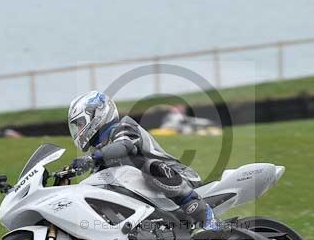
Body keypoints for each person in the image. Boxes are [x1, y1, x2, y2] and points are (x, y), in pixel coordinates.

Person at [67, 90, 220, 232]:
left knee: (150, 167)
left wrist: (90, 159)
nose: (79, 130)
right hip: (153, 195)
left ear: (97, 114)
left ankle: (206, 216)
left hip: (180, 177)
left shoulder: (124, 127)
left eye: (80, 123)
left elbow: (124, 146)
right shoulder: (101, 152)